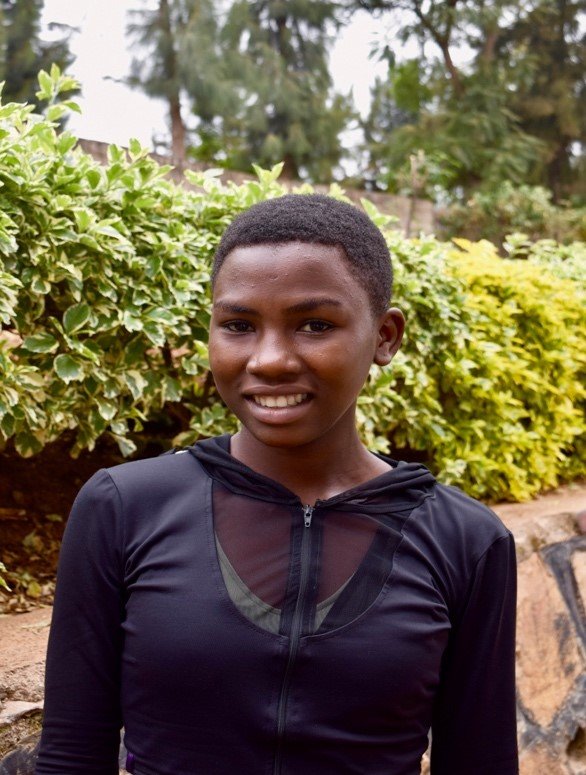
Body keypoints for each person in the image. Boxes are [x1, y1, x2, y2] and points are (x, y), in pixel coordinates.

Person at [35, 194, 518, 775]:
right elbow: (71, 754)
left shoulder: (465, 541)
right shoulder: (125, 507)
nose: (268, 360)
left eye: (315, 325)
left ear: (385, 336)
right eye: (238, 326)